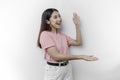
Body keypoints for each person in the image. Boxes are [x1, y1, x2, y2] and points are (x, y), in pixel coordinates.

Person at [37, 8, 98, 80]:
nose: (59, 19)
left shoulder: (62, 36)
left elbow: (78, 42)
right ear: (47, 21)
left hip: (67, 68)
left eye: (59, 16)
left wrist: (77, 26)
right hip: (54, 71)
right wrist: (81, 56)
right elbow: (56, 56)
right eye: (55, 17)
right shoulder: (45, 35)